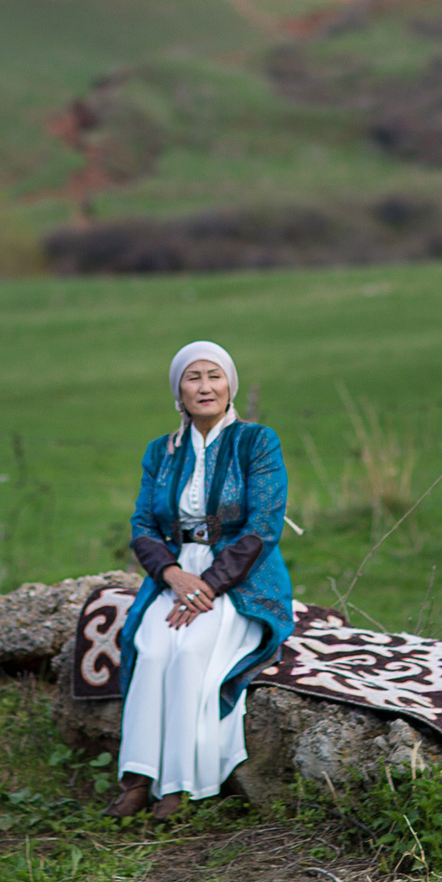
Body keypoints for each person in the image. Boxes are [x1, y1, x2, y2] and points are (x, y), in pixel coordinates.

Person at [107, 340, 294, 820]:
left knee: (191, 651)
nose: (205, 386)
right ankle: (138, 776)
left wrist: (208, 584)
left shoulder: (257, 441)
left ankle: (179, 785)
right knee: (151, 645)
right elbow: (143, 525)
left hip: (241, 575)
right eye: (193, 377)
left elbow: (264, 525)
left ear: (229, 384)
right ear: (179, 391)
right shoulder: (161, 451)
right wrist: (171, 574)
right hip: (175, 572)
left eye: (214, 375)